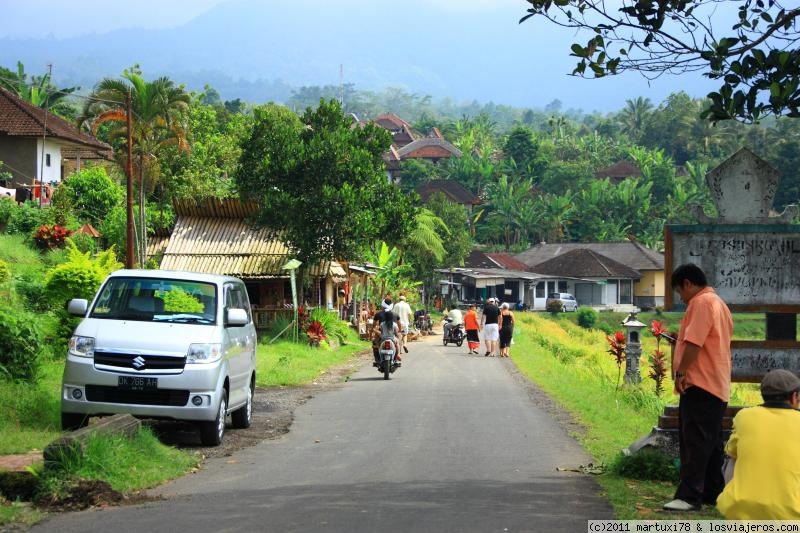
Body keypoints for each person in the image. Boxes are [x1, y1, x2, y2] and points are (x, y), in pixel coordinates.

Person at [663, 263, 733, 512]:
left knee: (694, 441)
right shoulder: (718, 304)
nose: (681, 298)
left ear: (688, 283)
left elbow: (695, 342)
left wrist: (681, 372)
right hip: (716, 384)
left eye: (680, 292)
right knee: (710, 443)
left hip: (701, 383)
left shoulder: (701, 303)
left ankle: (689, 496)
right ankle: (713, 492)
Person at [716, 369, 800, 519]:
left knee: (732, 457)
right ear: (795, 397)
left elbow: (731, 452)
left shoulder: (744, 416)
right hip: (792, 514)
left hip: (741, 509)